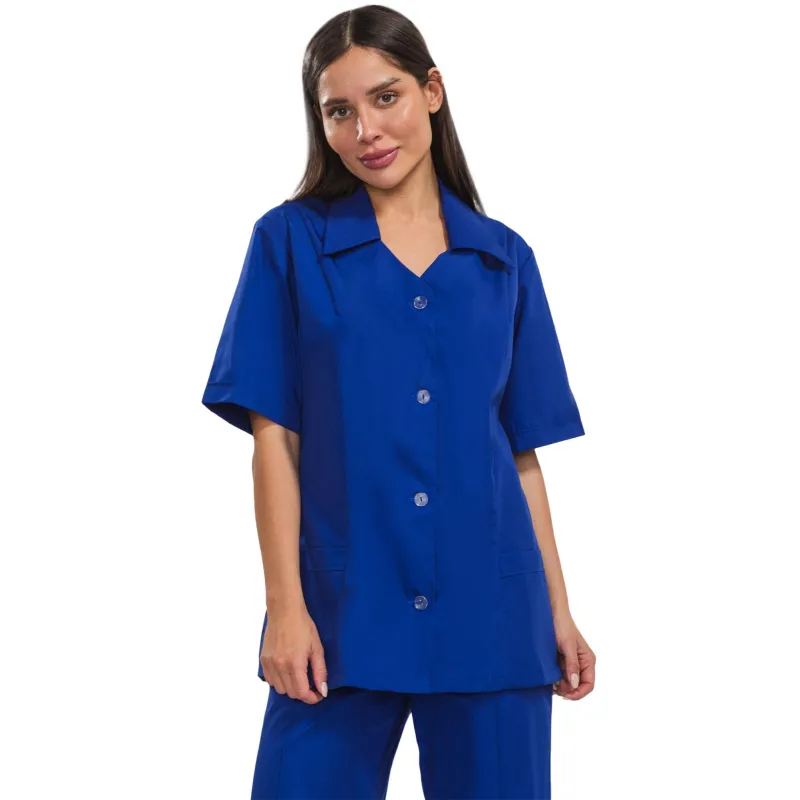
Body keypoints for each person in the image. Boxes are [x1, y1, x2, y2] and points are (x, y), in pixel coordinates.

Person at [201, 5, 596, 798]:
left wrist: (558, 610)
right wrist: (285, 608)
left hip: (494, 617)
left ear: (432, 92)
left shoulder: (504, 260)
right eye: (339, 111)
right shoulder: (288, 243)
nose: (366, 131)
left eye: (386, 97)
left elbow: (519, 455)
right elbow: (274, 438)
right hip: (340, 617)